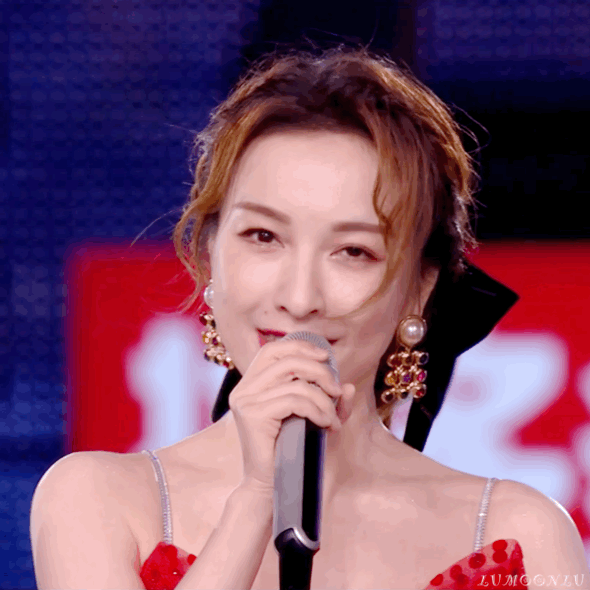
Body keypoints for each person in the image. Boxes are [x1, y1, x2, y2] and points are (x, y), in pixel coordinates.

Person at [30, 46, 589, 590]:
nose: (300, 299)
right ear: (208, 256)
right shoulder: (99, 497)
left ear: (420, 290)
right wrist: (256, 498)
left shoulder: (518, 533)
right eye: (263, 236)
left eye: (354, 251)